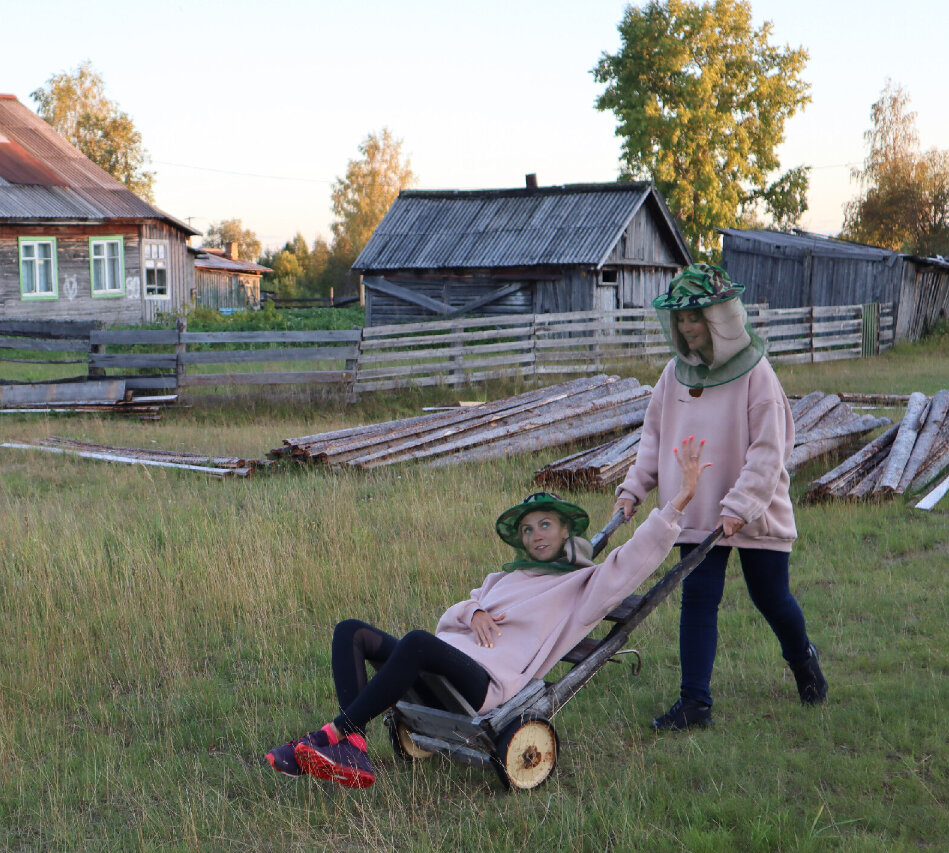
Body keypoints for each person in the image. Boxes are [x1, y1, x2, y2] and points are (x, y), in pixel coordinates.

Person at [266, 437, 711, 789]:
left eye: (546, 525)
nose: (536, 535)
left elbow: (632, 561)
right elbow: (452, 616)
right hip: (447, 663)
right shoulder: (505, 578)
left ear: (565, 532)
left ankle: (332, 735)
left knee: (420, 642)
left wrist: (680, 501)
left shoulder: (585, 586)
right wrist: (474, 609)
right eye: (528, 529)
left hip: (487, 684)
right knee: (351, 631)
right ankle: (354, 744)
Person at [613, 263, 828, 732]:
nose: (687, 327)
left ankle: (804, 661)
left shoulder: (757, 375)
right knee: (698, 599)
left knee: (771, 599)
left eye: (697, 317)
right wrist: (634, 488)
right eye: (682, 319)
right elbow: (654, 437)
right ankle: (695, 705)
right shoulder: (674, 374)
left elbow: (770, 452)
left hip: (752, 513)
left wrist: (738, 508)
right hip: (695, 509)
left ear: (721, 318)